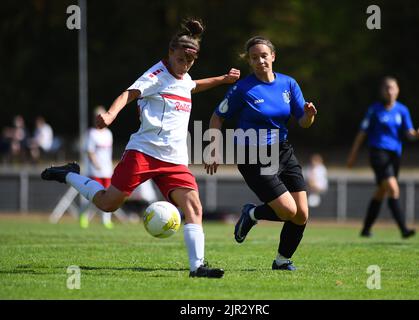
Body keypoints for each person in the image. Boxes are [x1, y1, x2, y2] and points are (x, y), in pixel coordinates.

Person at [41, 18, 240, 278]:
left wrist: (223, 79)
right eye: (181, 60)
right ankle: (68, 174)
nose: (185, 65)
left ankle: (197, 267)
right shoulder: (156, 75)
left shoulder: (184, 76)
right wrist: (111, 114)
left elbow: (193, 85)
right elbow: (128, 93)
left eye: (190, 62)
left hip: (175, 158)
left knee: (194, 207)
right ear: (170, 54)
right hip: (144, 152)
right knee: (108, 204)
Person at [205, 36, 317, 271]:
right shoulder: (242, 88)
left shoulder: (288, 84)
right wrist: (212, 148)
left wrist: (309, 114)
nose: (260, 61)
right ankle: (252, 213)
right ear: (250, 61)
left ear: (273, 56)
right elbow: (218, 117)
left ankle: (282, 260)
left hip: (283, 151)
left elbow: (303, 122)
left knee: (302, 214)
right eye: (254, 57)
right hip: (252, 154)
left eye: (264, 56)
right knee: (288, 211)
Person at [347, 76, 419, 239]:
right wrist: (353, 155)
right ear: (382, 91)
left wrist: (416, 134)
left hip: (394, 155)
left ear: (398, 90)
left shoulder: (402, 110)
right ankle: (404, 229)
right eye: (387, 88)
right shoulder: (374, 109)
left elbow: (408, 133)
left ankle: (366, 229)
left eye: (393, 88)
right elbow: (362, 133)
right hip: (378, 152)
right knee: (392, 188)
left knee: (381, 191)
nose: (390, 91)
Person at [79, 106, 115, 229]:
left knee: (109, 197)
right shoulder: (91, 133)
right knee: (93, 197)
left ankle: (106, 220)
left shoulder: (109, 133)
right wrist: (96, 164)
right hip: (94, 171)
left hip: (107, 171)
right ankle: (84, 216)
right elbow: (89, 151)